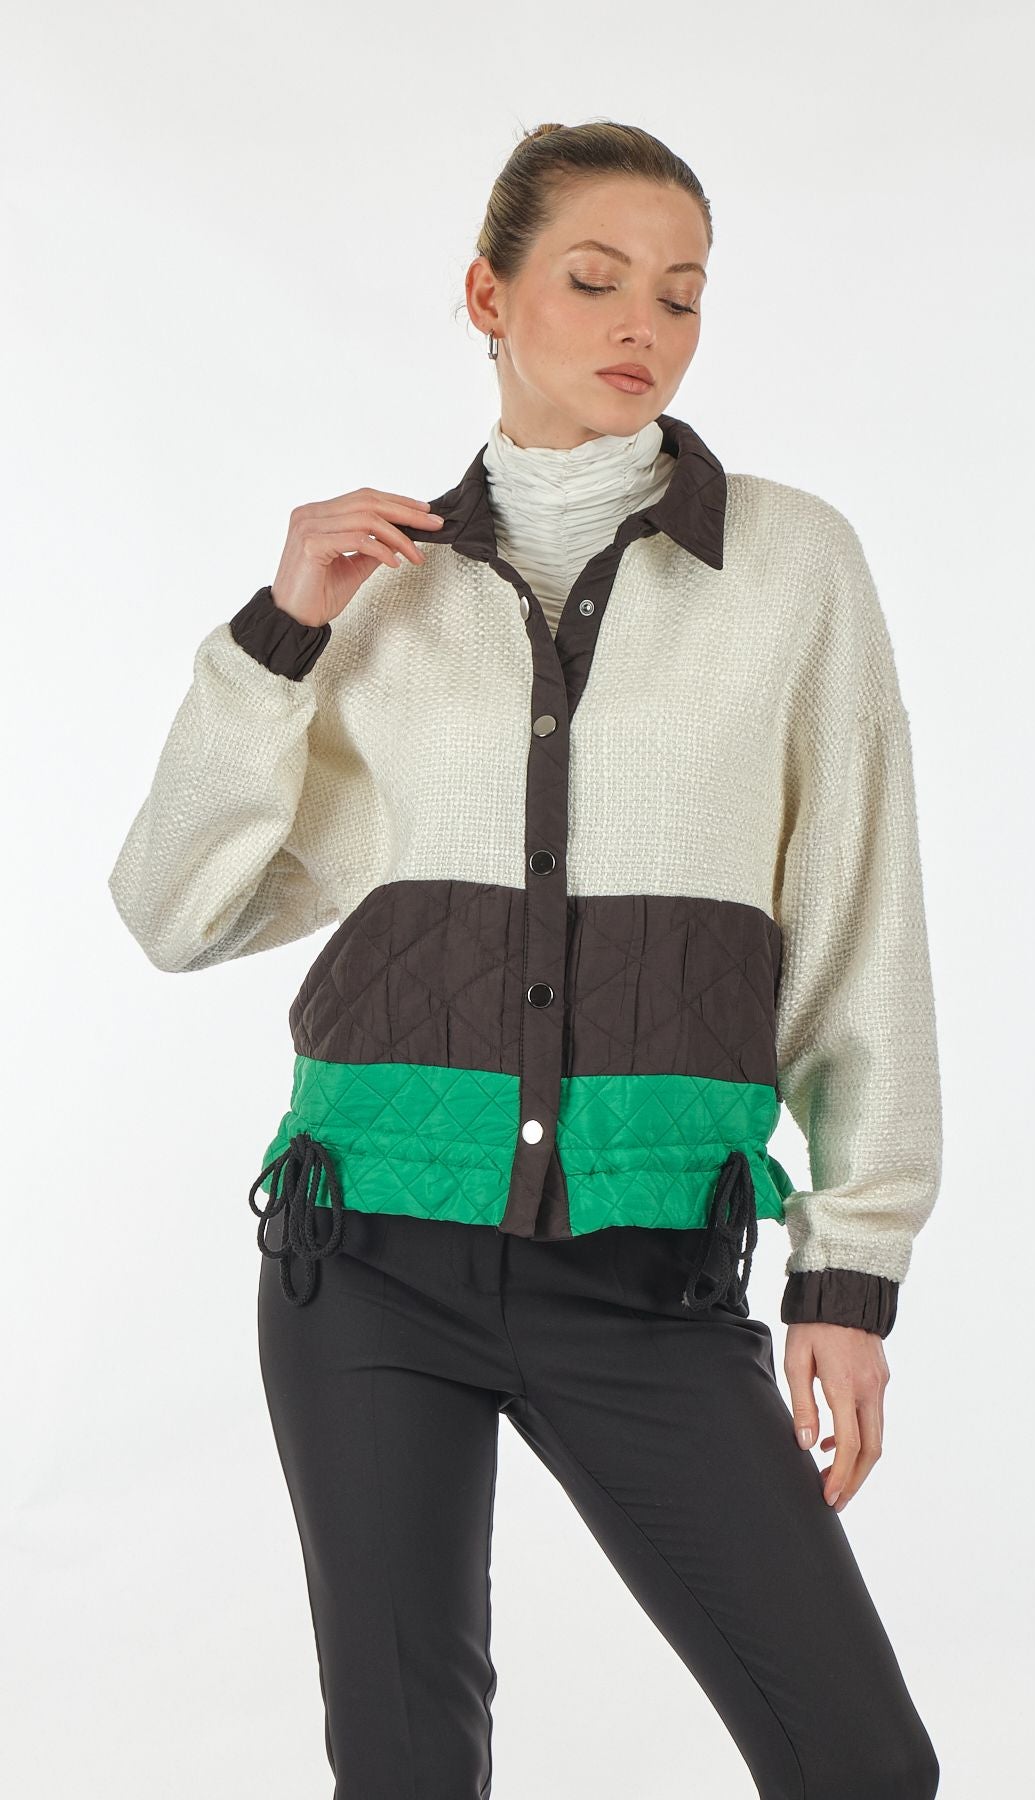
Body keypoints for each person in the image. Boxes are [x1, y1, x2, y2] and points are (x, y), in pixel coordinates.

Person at [108, 118, 943, 1800]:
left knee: (860, 1763)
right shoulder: (382, 591)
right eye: (596, 279)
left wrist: (848, 1276)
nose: (646, 323)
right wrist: (281, 629)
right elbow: (175, 909)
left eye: (682, 295)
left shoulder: (792, 567)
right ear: (488, 297)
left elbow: (862, 920)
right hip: (366, 1258)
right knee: (408, 1773)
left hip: (653, 1281)